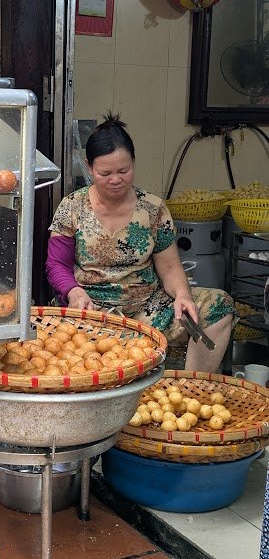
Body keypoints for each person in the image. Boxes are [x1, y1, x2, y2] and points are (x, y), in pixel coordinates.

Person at [46, 114, 234, 372]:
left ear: (134, 162)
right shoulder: (72, 207)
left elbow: (169, 268)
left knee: (219, 306)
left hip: (146, 310)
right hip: (89, 312)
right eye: (105, 173)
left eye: (124, 171)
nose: (115, 179)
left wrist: (182, 295)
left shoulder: (153, 209)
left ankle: (188, 390)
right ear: (89, 167)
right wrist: (74, 292)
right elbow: (56, 265)